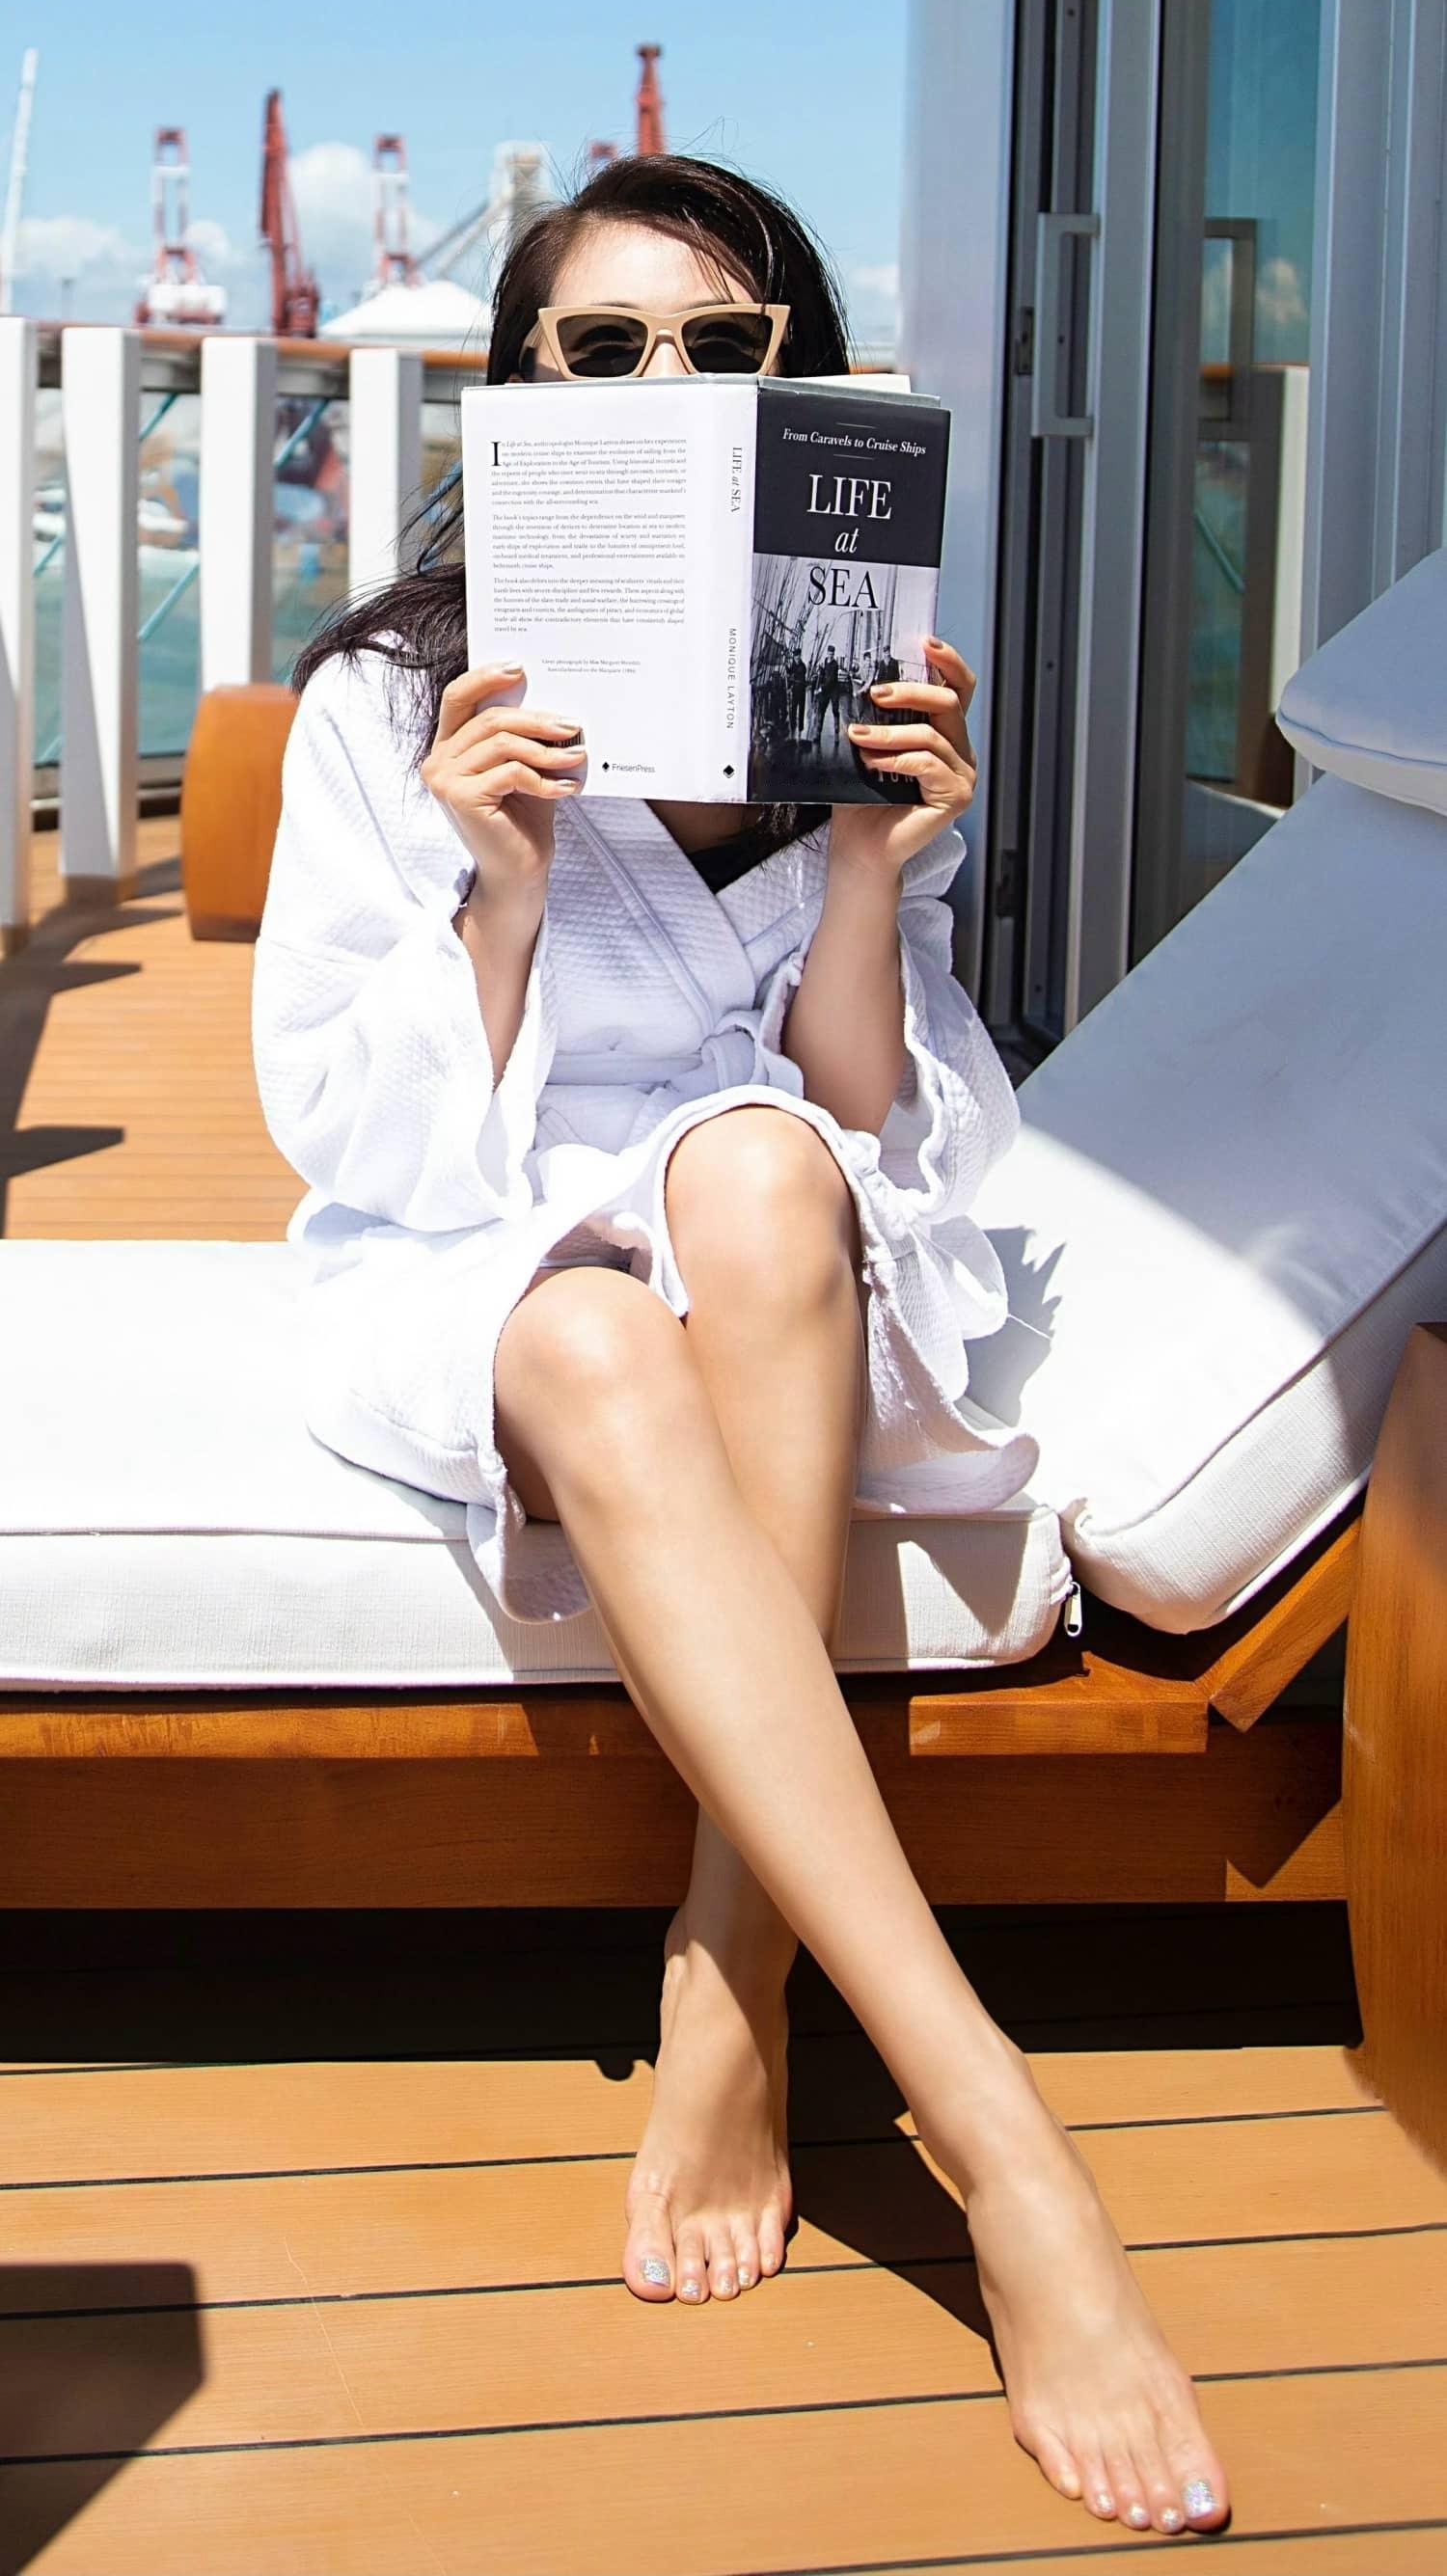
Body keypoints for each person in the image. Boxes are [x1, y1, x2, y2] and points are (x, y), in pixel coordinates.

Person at [254, 152, 1228, 2541]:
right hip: (479, 1238)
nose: (665, 381)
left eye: (721, 342)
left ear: (798, 372)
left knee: (770, 1170)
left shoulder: (846, 666)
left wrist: (879, 857)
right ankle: (1001, 2133)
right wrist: (496, 887)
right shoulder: (386, 705)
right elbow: (357, 1134)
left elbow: (875, 1118)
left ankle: (731, 1959)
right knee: (598, 1340)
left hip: (777, 1238)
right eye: (604, 348)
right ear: (523, 385)